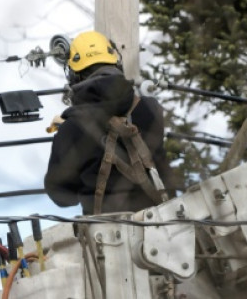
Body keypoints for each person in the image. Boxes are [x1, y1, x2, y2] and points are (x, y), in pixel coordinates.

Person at [44, 30, 173, 215]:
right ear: (116, 63)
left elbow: (61, 196)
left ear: (74, 75)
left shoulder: (72, 129)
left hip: (108, 235)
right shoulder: (149, 108)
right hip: (164, 224)